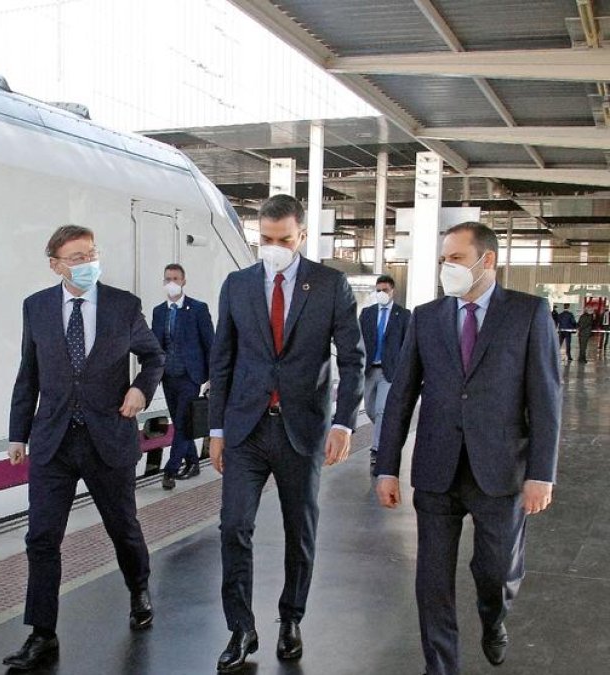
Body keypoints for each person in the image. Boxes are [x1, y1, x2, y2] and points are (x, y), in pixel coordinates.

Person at [376, 222, 561, 675]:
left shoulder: (528, 313)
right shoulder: (427, 316)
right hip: (437, 469)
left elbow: (545, 397)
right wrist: (387, 467)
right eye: (444, 259)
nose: (447, 268)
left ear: (487, 260)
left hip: (500, 470)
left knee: (496, 571)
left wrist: (542, 474)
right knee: (432, 582)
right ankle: (440, 667)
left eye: (456, 258)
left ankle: (493, 617)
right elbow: (402, 396)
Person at [205, 194, 364, 672]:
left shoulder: (331, 286)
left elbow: (352, 359)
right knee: (234, 526)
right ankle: (241, 629)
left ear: (302, 236)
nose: (274, 248)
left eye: (284, 240)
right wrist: (216, 428)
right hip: (247, 429)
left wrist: (343, 423)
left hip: (302, 428)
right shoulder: (237, 285)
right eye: (266, 239)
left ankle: (291, 618)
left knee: (301, 529)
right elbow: (222, 359)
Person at [3, 224, 165, 670]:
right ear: (55, 265)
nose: (88, 263)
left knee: (123, 527)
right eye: (76, 258)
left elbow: (154, 356)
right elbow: (28, 374)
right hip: (53, 441)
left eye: (91, 254)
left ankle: (138, 587)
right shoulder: (36, 307)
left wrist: (140, 389)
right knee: (42, 537)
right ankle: (42, 633)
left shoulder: (122, 305)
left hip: (107, 438)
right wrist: (18, 433)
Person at [151, 263, 215, 490]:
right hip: (168, 376)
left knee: (182, 422)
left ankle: (170, 470)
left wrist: (212, 377)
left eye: (176, 279)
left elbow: (210, 343)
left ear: (183, 281)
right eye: (168, 279)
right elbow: (155, 345)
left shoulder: (197, 309)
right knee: (181, 422)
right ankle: (193, 462)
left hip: (190, 375)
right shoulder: (159, 311)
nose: (172, 283)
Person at [360, 274, 407, 474]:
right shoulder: (367, 313)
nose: (381, 293)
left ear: (392, 291)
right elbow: (358, 339)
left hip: (389, 371)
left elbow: (406, 345)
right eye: (378, 290)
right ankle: (386, 433)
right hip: (369, 369)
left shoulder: (403, 315)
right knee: (371, 409)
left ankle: (377, 450)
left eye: (385, 290)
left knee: (381, 410)